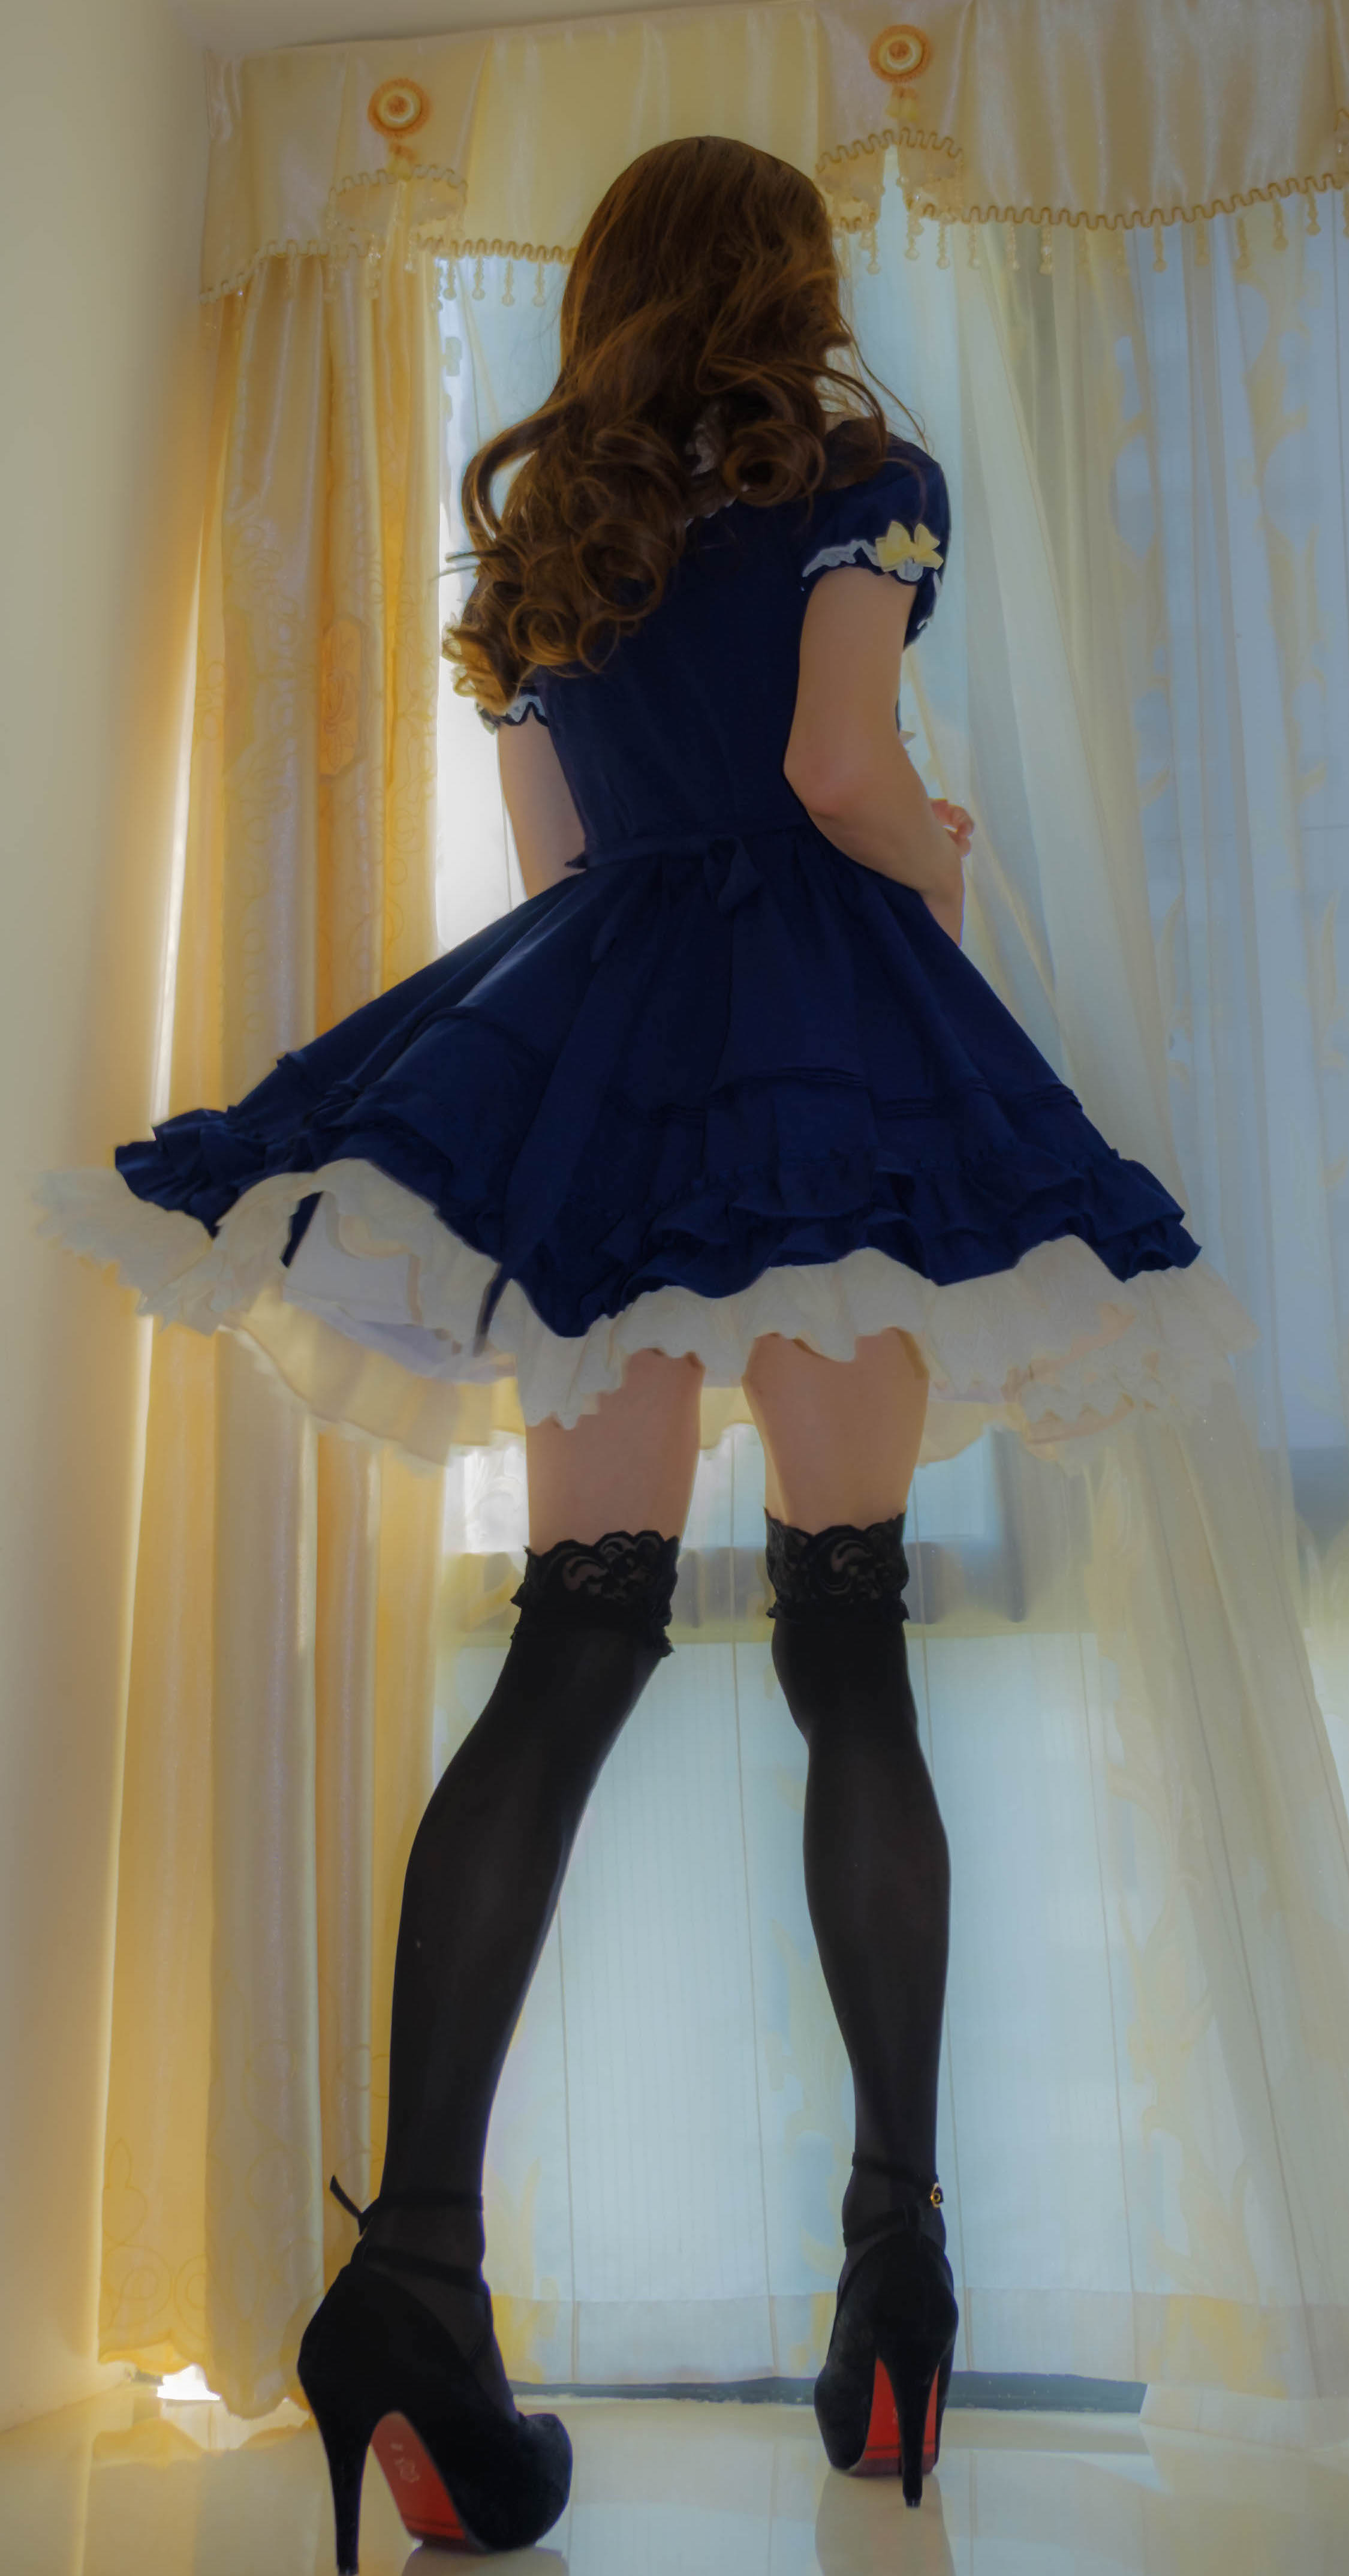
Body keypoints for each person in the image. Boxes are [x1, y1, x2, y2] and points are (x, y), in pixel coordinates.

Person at [33, 132, 1257, 2566]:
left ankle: (412, 2278)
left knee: (569, 1642)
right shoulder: (859, 486)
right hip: (826, 1064)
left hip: (610, 1067)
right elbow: (835, 775)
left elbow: (563, 877)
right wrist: (935, 858)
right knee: (847, 1633)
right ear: (783, 283)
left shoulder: (539, 545)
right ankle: (893, 2273)